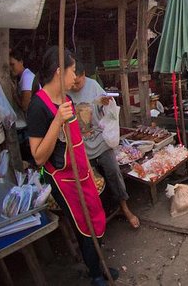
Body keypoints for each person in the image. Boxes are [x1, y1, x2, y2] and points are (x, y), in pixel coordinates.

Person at [27, 47, 118, 285]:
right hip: (63, 179)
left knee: (96, 216)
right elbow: (38, 157)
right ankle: (96, 274)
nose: (75, 76)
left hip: (82, 172)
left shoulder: (66, 99)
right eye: (72, 70)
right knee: (83, 224)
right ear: (59, 72)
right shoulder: (38, 107)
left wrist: (90, 168)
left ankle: (98, 264)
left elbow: (76, 140)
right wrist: (57, 120)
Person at [68, 62, 140, 229]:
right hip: (80, 143)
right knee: (90, 181)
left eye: (78, 82)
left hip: (99, 139)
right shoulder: (66, 90)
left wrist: (107, 104)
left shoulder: (93, 86)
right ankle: (97, 214)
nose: (75, 85)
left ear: (84, 74)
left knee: (113, 171)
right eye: (73, 82)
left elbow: (105, 110)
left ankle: (124, 208)